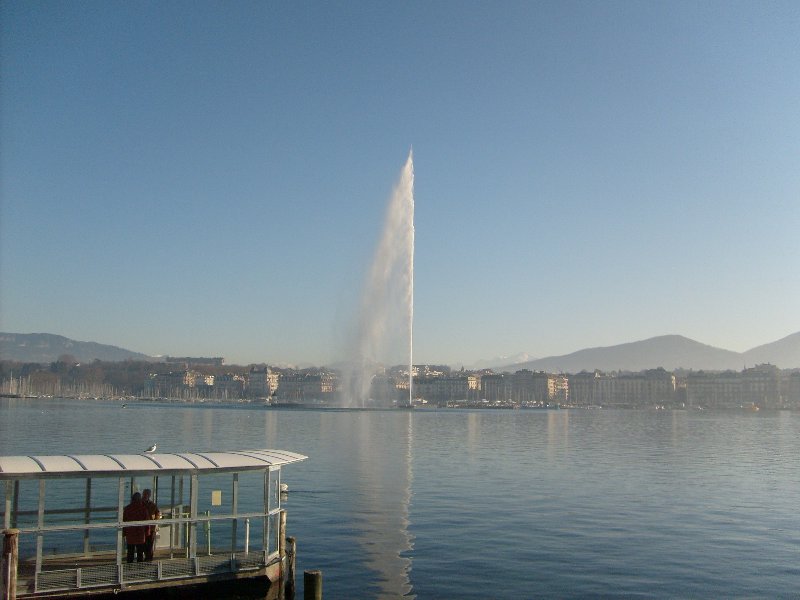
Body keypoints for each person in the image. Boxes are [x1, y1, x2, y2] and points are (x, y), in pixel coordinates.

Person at [123, 492, 150, 563]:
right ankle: (139, 568)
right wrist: (147, 533)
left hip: (130, 533)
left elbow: (124, 521)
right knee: (140, 553)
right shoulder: (143, 509)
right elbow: (147, 522)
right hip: (140, 534)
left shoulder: (127, 509)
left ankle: (129, 567)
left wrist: (124, 532)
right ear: (140, 499)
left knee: (130, 552)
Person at [142, 488, 161, 561]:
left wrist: (155, 521)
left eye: (147, 494)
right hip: (142, 528)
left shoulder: (152, 504)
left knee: (150, 544)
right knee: (143, 544)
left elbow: (157, 513)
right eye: (144, 494)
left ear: (149, 495)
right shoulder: (140, 504)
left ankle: (149, 559)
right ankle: (146, 559)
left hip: (151, 528)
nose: (145, 495)